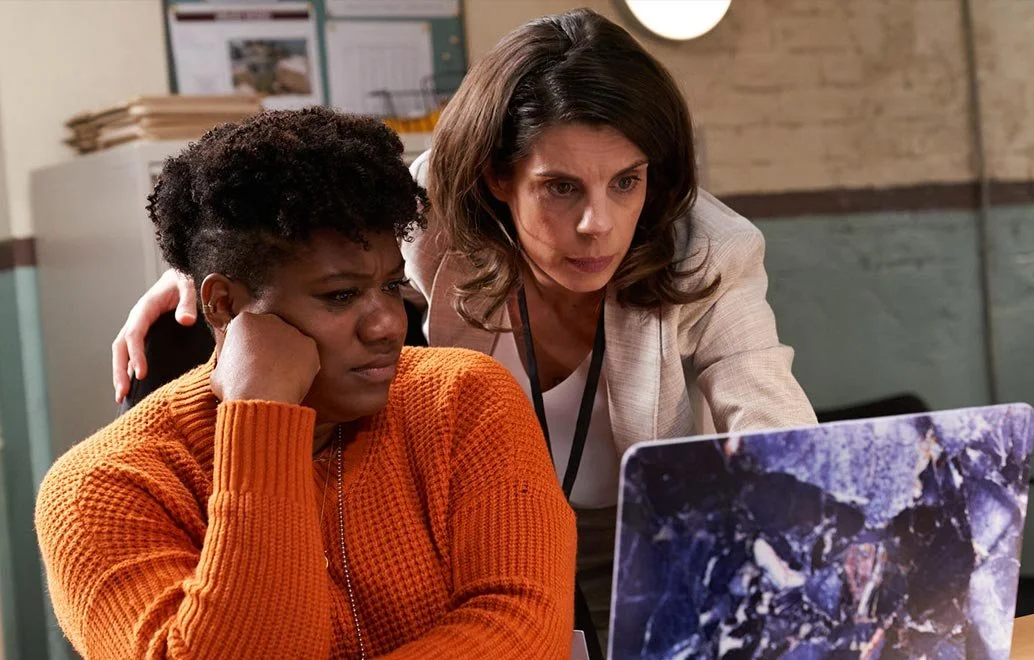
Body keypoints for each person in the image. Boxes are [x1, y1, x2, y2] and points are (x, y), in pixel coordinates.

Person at [108, 8, 817, 651]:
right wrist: (212, 278)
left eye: (626, 182)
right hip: (476, 541)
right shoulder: (429, 218)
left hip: (642, 538)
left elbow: (771, 420)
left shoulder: (710, 249)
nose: (597, 224)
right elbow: (305, 248)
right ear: (495, 177)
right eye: (561, 187)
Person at [36, 108, 577, 659]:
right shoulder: (100, 491)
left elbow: (525, 622)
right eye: (339, 295)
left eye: (391, 286)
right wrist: (263, 420)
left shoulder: (462, 398)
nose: (388, 324)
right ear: (224, 305)